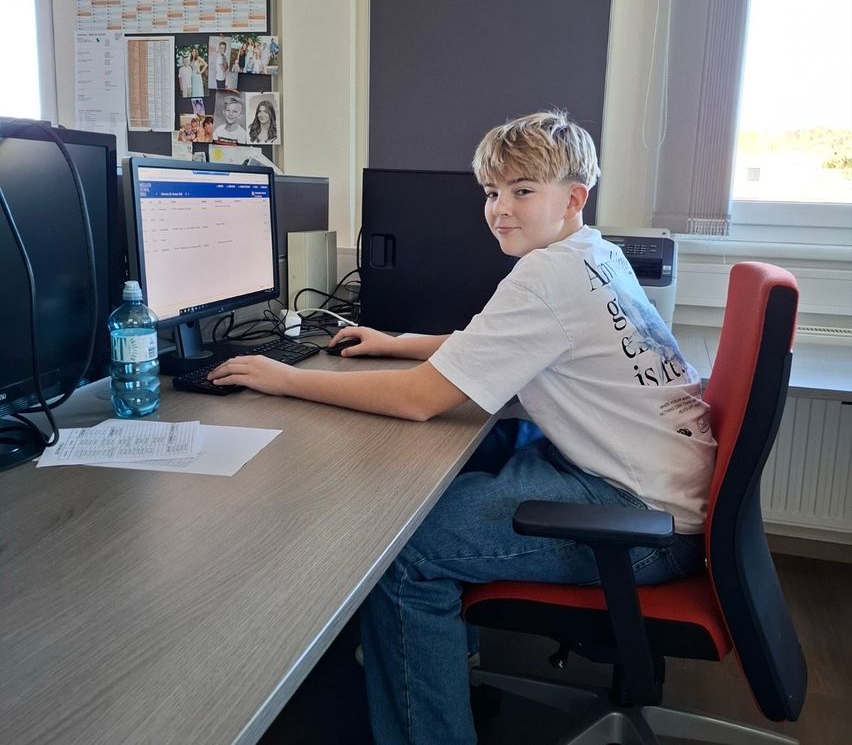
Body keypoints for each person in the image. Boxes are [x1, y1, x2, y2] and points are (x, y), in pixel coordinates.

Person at [207, 110, 716, 745]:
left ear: (573, 197)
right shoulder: (592, 253)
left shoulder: (547, 276)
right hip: (655, 488)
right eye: (491, 192)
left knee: (404, 551)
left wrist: (283, 378)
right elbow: (494, 344)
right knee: (465, 470)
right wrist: (397, 342)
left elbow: (421, 401)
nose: (500, 209)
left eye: (522, 191)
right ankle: (436, 657)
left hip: (640, 522)